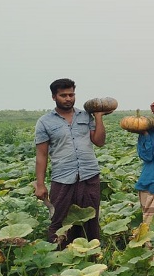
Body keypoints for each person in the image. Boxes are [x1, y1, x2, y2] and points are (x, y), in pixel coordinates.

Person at [34, 78, 106, 247]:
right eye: (63, 95)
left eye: (71, 94)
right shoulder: (45, 122)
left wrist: (98, 117)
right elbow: (41, 155)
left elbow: (99, 141)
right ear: (54, 97)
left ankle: (90, 252)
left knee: (90, 217)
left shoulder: (85, 115)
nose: (68, 98)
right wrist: (40, 184)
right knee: (60, 218)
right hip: (62, 177)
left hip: (89, 175)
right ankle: (59, 253)